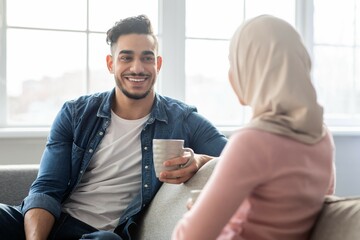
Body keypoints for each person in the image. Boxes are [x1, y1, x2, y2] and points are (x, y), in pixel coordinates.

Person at [0, 15, 227, 240]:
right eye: (126, 58)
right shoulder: (75, 113)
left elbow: (239, 158)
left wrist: (199, 161)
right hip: (52, 222)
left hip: (102, 236)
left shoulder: (183, 119)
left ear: (158, 64)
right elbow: (47, 188)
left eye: (147, 58)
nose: (137, 68)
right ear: (111, 64)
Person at [172, 15, 335, 240]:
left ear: (252, 70)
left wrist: (196, 214)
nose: (231, 74)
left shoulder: (253, 140)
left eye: (235, 62)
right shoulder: (323, 137)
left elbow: (188, 237)